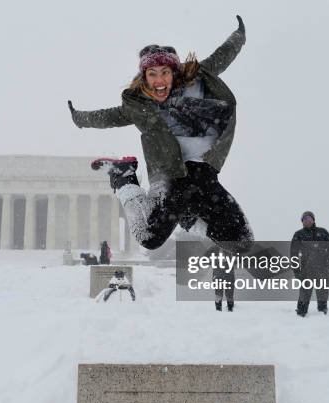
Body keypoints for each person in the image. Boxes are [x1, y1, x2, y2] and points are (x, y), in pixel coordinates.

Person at [68, 16, 252, 253]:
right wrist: (78, 118)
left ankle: (190, 218)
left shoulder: (197, 81)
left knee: (242, 241)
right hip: (174, 177)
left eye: (165, 72)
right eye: (152, 74)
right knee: (148, 237)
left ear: (174, 73)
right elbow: (105, 117)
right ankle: (123, 178)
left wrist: (239, 36)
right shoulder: (140, 107)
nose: (159, 80)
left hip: (206, 174)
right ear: (144, 77)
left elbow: (223, 56)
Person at [290, 211, 329, 317]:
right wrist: (296, 270)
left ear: (314, 220)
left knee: (323, 292)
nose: (308, 221)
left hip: (322, 269)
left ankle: (322, 312)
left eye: (310, 219)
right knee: (304, 293)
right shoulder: (298, 234)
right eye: (305, 219)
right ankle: (301, 314)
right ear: (302, 222)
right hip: (306, 270)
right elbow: (293, 254)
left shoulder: (323, 232)